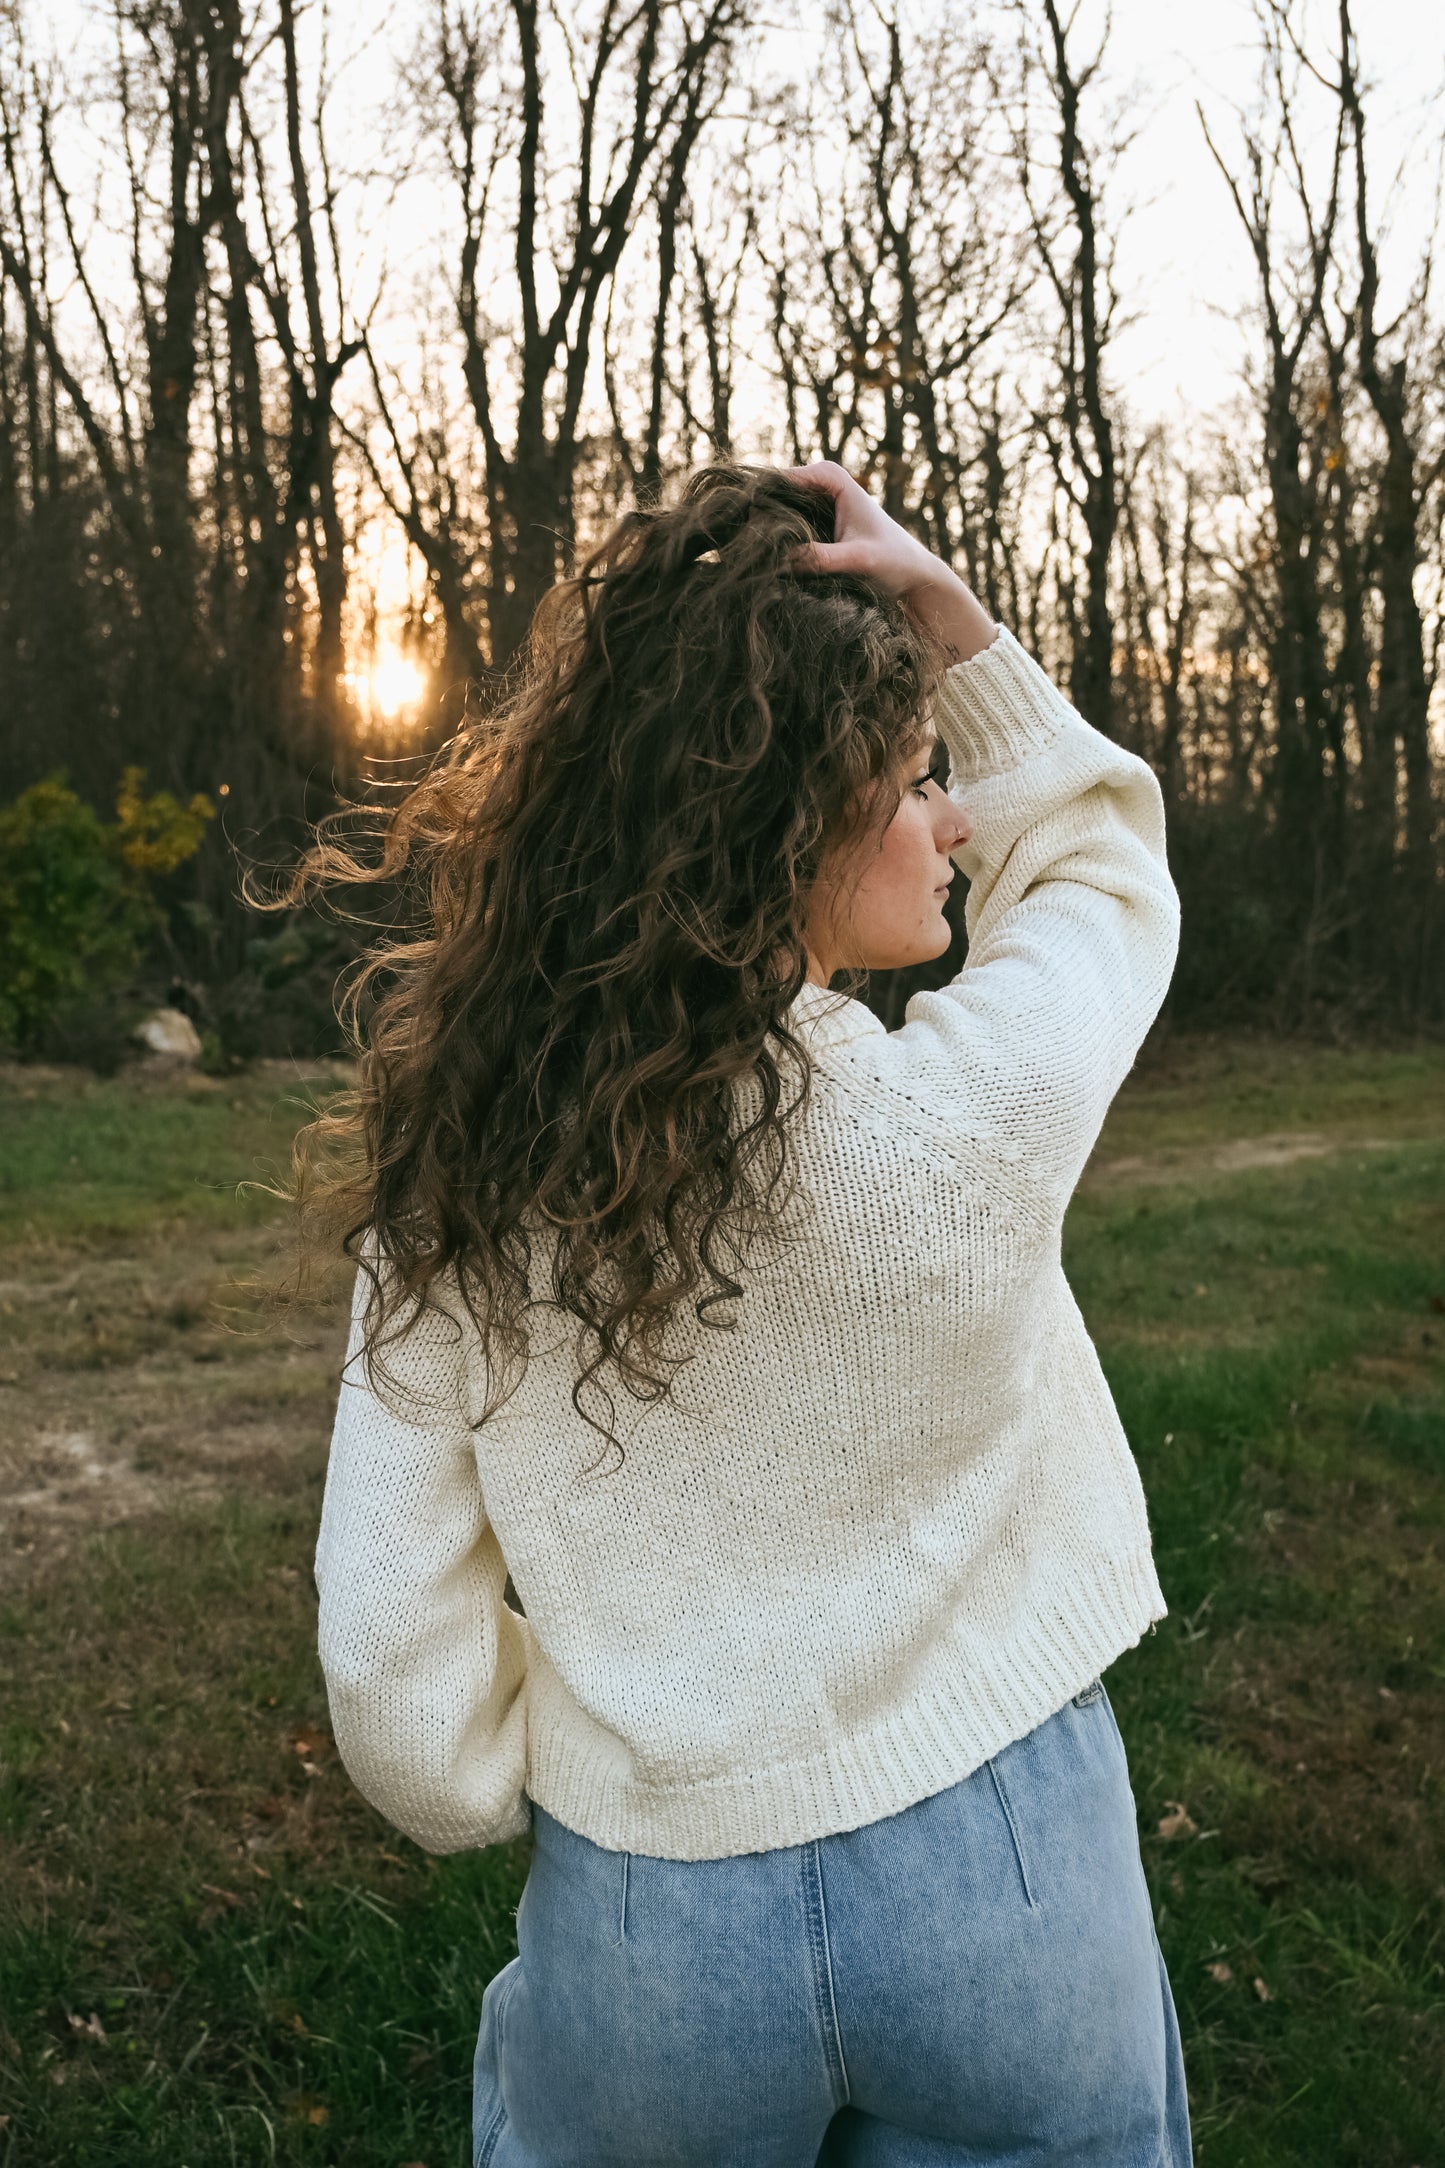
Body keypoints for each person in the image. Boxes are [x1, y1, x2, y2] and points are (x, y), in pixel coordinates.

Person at [305, 459, 1190, 2165]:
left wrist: (559, 1777)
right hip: (1012, 1874)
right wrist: (963, 631)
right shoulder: (966, 1121)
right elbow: (1094, 864)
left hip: (656, 1930)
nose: (950, 821)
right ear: (783, 829)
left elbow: (396, 1693)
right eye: (917, 781)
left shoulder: (464, 1190)